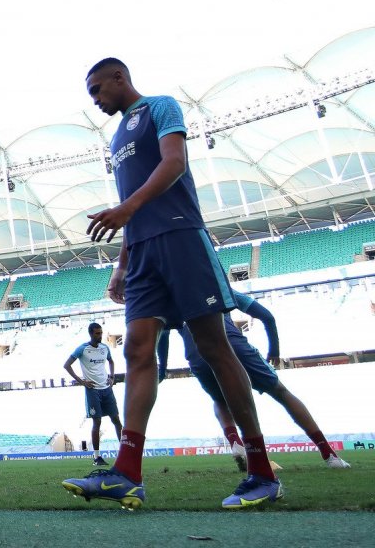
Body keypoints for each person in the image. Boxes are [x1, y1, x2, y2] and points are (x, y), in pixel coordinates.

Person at [64, 58, 280, 510]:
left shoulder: (161, 107)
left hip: (181, 237)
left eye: (98, 90)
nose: (97, 101)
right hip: (142, 252)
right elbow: (130, 202)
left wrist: (126, 211)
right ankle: (127, 473)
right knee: (138, 351)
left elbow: (175, 163)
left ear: (120, 78)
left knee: (213, 347)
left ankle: (261, 471)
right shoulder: (117, 136)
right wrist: (122, 262)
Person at [159, 291, 349, 471]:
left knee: (219, 400)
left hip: (198, 357)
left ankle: (235, 442)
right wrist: (274, 350)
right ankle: (329, 455)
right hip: (233, 347)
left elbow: (162, 336)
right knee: (281, 393)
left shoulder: (172, 300)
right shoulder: (218, 286)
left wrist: (162, 370)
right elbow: (267, 316)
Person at [62, 322, 122, 466]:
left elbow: (111, 361)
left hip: (106, 389)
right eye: (97, 333)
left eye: (101, 333)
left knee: (116, 420)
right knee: (97, 422)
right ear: (90, 333)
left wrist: (112, 376)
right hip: (92, 390)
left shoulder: (104, 347)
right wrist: (81, 381)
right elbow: (67, 365)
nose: (100, 336)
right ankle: (96, 457)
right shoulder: (83, 349)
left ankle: (124, 453)